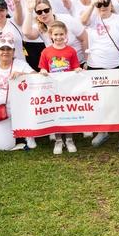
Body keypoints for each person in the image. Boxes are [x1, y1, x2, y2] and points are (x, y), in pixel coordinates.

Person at [80, 0, 119, 152]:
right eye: (100, 4)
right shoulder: (92, 18)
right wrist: (93, 4)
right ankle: (102, 131)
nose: (103, 7)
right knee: (99, 101)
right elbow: (83, 21)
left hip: (116, 66)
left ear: (111, 4)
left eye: (106, 3)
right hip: (95, 65)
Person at [0, 36, 36, 151]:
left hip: (20, 108)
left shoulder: (20, 64)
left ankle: (27, 134)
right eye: (2, 49)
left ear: (13, 51)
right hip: (0, 109)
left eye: (9, 49)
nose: (5, 52)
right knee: (4, 147)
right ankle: (16, 137)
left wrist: (22, 74)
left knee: (29, 141)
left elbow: (36, 76)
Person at [38, 20, 83, 154]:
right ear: (50, 35)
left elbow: (75, 66)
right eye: (56, 34)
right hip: (53, 89)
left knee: (67, 112)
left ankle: (69, 139)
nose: (58, 37)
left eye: (61, 34)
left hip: (67, 88)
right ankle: (58, 140)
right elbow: (42, 68)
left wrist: (78, 70)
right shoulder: (46, 52)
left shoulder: (71, 51)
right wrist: (43, 71)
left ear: (66, 34)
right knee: (56, 113)